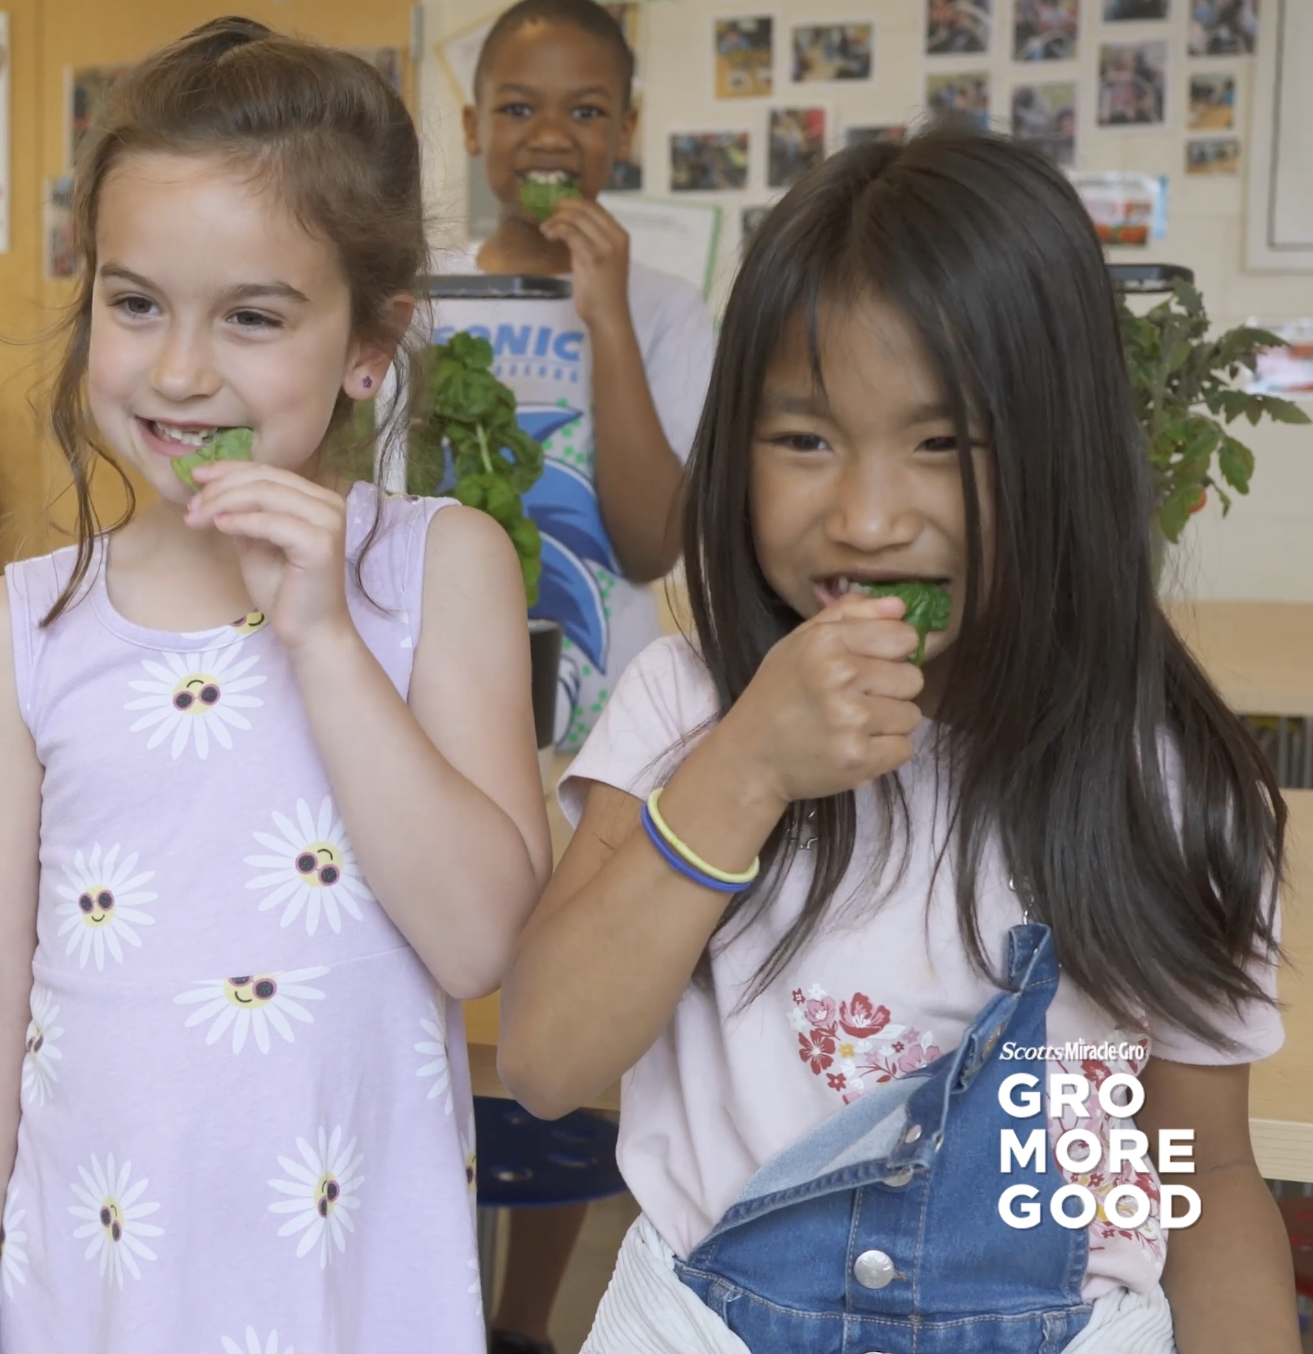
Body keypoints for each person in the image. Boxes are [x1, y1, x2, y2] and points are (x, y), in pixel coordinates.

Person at [500, 128, 1296, 1354]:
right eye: (805, 440)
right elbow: (547, 1061)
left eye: (944, 443)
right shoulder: (684, 711)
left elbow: (1207, 1167)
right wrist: (744, 768)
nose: (867, 520)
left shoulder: (1166, 783)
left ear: (1064, 451)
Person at [0, 19, 552, 1353]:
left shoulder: (440, 569)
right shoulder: (19, 632)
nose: (180, 370)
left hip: (354, 1296)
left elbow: (479, 942)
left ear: (369, 345)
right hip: (91, 1300)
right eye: (135, 303)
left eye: (252, 317)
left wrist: (322, 638)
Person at [447, 0, 713, 754]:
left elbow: (650, 549)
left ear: (625, 132)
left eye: (587, 111)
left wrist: (610, 319)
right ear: (473, 126)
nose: (551, 135)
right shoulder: (417, 294)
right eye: (518, 107)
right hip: (439, 689)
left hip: (609, 718)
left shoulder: (666, 309)